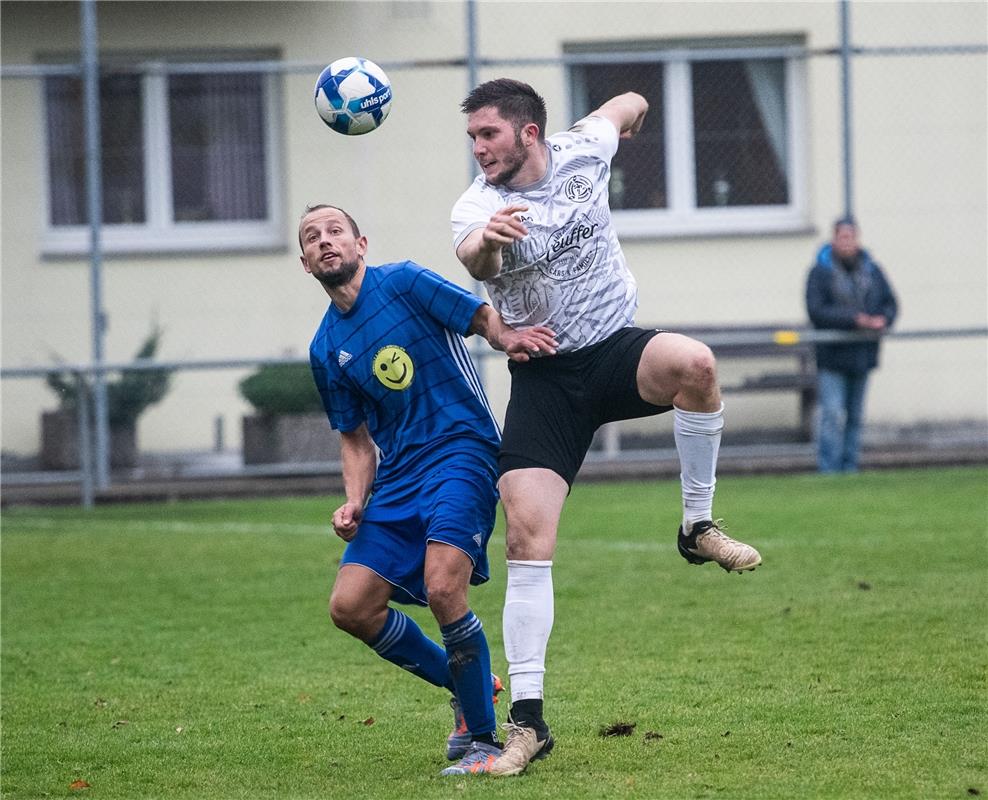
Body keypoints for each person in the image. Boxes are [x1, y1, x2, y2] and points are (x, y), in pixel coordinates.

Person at [450, 78, 763, 776]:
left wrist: (635, 119)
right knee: (528, 537)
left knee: (697, 364)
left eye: (489, 134)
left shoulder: (583, 148)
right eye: (472, 138)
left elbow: (628, 102)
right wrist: (490, 248)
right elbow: (473, 256)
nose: (479, 149)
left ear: (529, 132)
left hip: (617, 351)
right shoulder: (480, 205)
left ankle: (696, 527)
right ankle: (527, 724)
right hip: (547, 378)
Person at [302, 204, 557, 776]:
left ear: (361, 243)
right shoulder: (325, 349)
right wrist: (354, 500)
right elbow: (355, 440)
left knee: (445, 588)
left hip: (462, 450)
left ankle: (483, 742)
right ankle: (467, 684)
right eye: (313, 238)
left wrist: (507, 335)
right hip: (398, 477)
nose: (325, 242)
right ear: (304, 263)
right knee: (350, 606)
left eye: (335, 231)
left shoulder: (405, 282)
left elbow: (476, 314)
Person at [805, 216, 898, 473]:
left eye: (851, 237)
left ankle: (850, 468)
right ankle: (829, 469)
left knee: (855, 416)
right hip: (832, 355)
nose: (847, 242)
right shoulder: (820, 272)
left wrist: (883, 319)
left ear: (858, 239)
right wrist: (854, 320)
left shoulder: (872, 270)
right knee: (833, 415)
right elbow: (817, 311)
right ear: (833, 239)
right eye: (842, 237)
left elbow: (890, 303)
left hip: (862, 354)